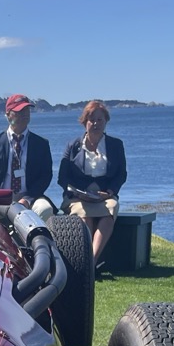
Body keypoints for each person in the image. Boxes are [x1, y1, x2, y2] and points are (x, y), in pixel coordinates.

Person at [59, 100, 127, 265]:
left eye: (100, 120)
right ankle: (86, 262)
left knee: (110, 210)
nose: (96, 123)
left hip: (104, 197)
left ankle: (91, 262)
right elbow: (62, 177)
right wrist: (77, 193)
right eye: (92, 120)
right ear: (85, 122)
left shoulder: (116, 145)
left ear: (106, 122)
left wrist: (110, 192)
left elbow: (121, 174)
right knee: (85, 217)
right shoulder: (73, 146)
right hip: (78, 198)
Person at [0, 94, 54, 219]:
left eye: (27, 110)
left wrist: (27, 198)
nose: (24, 114)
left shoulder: (41, 144)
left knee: (45, 209)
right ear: (8, 115)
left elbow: (46, 176)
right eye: (19, 111)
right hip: (0, 196)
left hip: (30, 197)